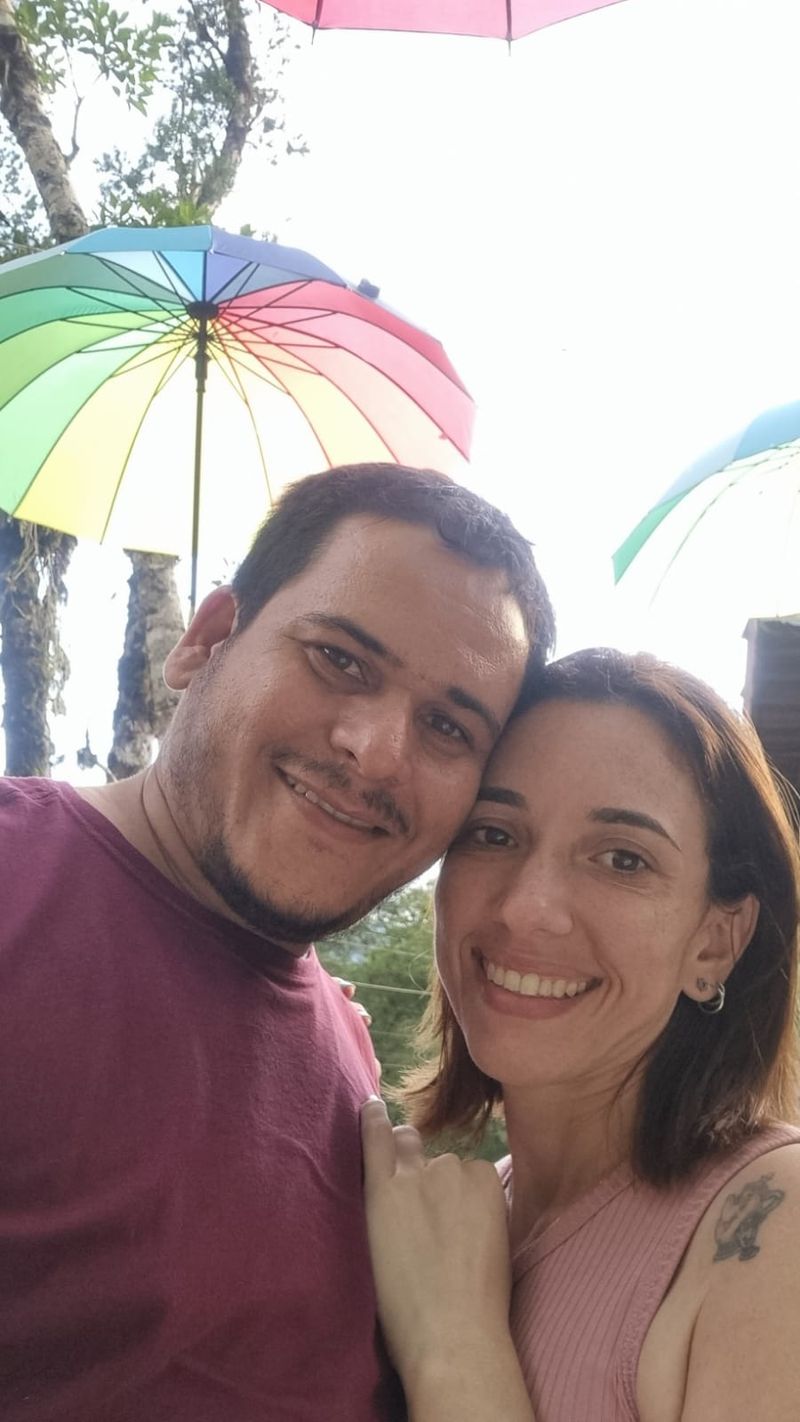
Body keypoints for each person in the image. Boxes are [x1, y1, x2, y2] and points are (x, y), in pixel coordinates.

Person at [0, 462, 555, 1422]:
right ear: (207, 639)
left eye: (447, 726)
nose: (377, 752)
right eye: (340, 659)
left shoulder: (345, 1051)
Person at [362, 647, 800, 1422]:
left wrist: (453, 1343)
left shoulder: (772, 1222)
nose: (527, 908)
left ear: (715, 943)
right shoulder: (454, 1228)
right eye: (493, 834)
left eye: (623, 859)